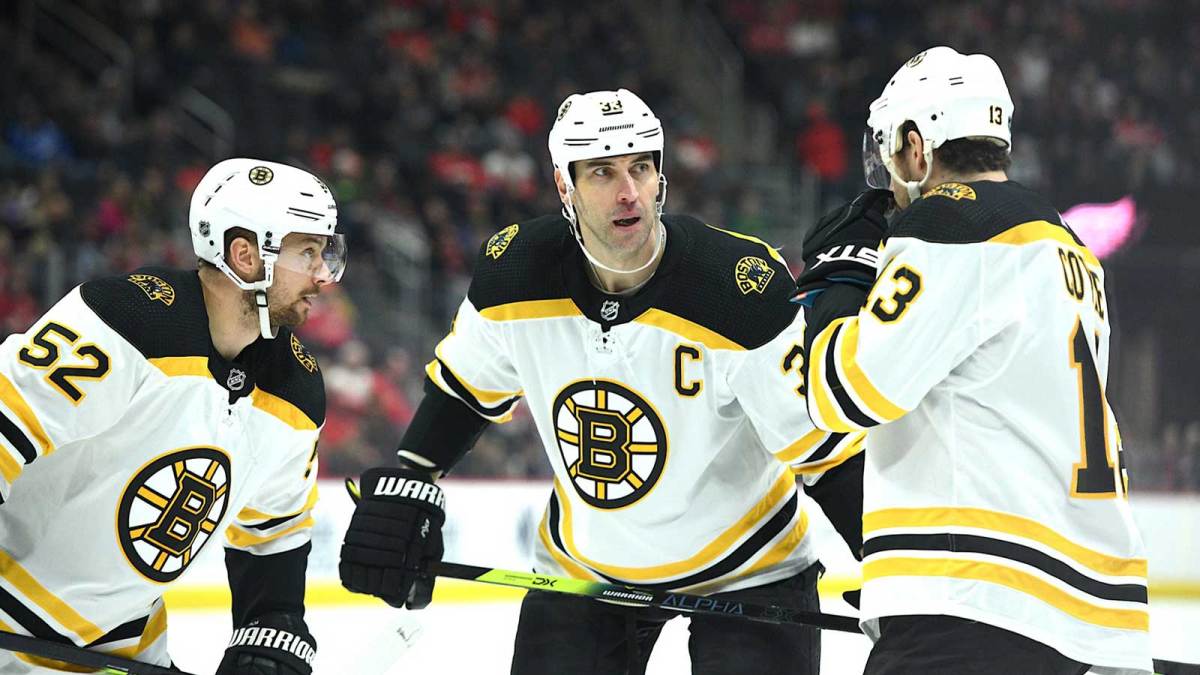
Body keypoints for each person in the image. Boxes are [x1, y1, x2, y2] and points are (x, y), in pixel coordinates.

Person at [339, 88, 865, 674]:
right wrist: (413, 473)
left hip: (749, 567)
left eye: (641, 167)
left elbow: (824, 451)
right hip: (586, 568)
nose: (628, 192)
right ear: (564, 185)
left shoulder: (738, 288)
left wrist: (892, 568)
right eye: (602, 172)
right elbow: (466, 389)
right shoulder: (515, 273)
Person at [793, 46, 1151, 674]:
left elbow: (841, 394)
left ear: (916, 145)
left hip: (977, 594)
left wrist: (840, 277)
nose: (891, 183)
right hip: (1075, 602)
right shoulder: (1068, 247)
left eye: (892, 153)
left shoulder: (953, 224)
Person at [0, 158, 347, 674]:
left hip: (126, 649)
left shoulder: (296, 391)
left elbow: (273, 530)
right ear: (246, 255)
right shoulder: (126, 320)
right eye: (308, 252)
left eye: (325, 254)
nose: (323, 275)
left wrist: (273, 626)